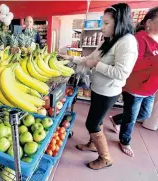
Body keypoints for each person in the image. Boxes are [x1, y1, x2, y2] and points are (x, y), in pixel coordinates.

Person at [59, 3, 138, 170]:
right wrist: (69, 58)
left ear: (120, 22)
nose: (102, 28)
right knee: (97, 120)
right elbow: (90, 58)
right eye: (102, 23)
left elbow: (122, 73)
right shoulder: (109, 41)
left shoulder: (127, 42)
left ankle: (105, 158)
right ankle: (92, 143)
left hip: (108, 92)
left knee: (92, 124)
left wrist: (97, 65)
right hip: (98, 88)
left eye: (106, 23)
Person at [109, 7, 158, 157]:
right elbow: (134, 65)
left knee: (144, 114)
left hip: (151, 88)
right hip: (136, 87)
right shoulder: (139, 38)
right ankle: (124, 140)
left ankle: (116, 119)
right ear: (149, 22)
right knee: (131, 118)